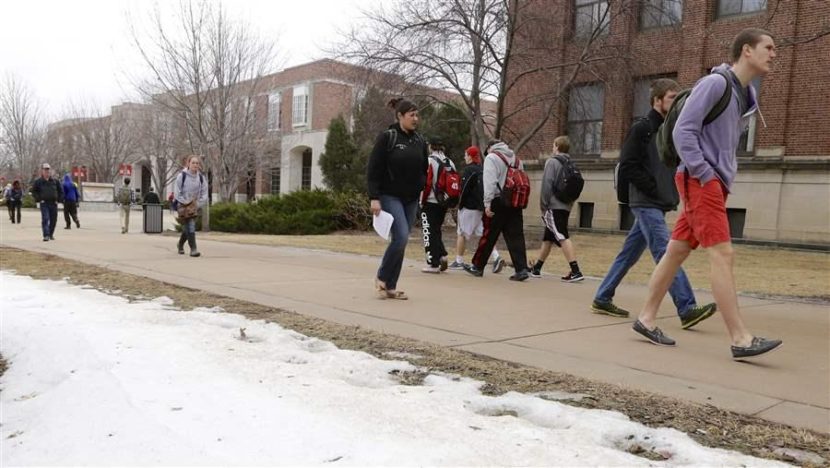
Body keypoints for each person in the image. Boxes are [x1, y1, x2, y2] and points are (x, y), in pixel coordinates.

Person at [633, 28, 782, 359]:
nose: (774, 53)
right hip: (702, 181)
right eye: (768, 47)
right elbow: (685, 130)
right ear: (747, 50)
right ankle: (741, 338)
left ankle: (645, 318)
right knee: (723, 254)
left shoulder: (743, 94)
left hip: (710, 182)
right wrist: (704, 174)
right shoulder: (716, 84)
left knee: (675, 252)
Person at [591, 79, 717, 329]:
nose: (675, 102)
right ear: (657, 100)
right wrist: (651, 188)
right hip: (645, 201)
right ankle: (687, 307)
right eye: (671, 97)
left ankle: (602, 297)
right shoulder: (642, 128)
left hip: (659, 201)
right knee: (666, 252)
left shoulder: (672, 130)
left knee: (628, 254)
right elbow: (627, 165)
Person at [367, 98, 428, 299]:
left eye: (417, 115)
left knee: (401, 241)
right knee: (401, 236)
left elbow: (423, 168)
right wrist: (374, 197)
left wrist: (420, 188)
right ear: (400, 116)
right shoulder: (388, 137)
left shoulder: (419, 141)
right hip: (390, 195)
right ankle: (382, 276)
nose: (415, 119)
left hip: (411, 198)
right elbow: (374, 168)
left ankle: (390, 287)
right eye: (411, 115)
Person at [464, 140, 530, 281]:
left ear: (489, 147)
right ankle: (522, 268)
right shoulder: (516, 159)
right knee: (516, 236)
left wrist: (487, 203)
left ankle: (477, 266)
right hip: (514, 201)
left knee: (489, 235)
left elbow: (490, 182)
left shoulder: (492, 158)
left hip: (497, 200)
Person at [529, 136, 584, 282]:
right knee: (549, 237)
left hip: (554, 205)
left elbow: (547, 184)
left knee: (562, 236)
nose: (552, 147)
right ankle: (537, 268)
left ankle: (576, 270)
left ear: (557, 146)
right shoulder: (571, 163)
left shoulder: (552, 162)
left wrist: (543, 205)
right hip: (566, 204)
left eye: (553, 145)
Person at [450, 146, 504, 272]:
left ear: (470, 156)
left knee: (461, 233)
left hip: (469, 207)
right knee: (483, 234)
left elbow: (463, 190)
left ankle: (459, 260)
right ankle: (496, 256)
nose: (464, 157)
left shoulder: (469, 170)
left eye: (466, 155)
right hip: (480, 207)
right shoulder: (482, 169)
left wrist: (460, 204)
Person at [420, 137, 455, 273]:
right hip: (443, 202)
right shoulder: (449, 161)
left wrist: (421, 200)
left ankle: (433, 263)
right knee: (436, 230)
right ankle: (442, 255)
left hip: (430, 201)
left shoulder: (429, 161)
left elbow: (426, 183)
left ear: (431, 147)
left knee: (428, 231)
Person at [173, 155, 209, 257]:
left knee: (188, 227)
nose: (195, 165)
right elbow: (177, 192)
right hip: (183, 206)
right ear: (188, 163)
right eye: (193, 163)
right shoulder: (182, 176)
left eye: (197, 163)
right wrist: (184, 202)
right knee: (190, 225)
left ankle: (180, 244)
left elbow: (204, 193)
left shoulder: (201, 178)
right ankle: (193, 249)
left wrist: (198, 204)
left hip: (194, 206)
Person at [31, 163, 63, 241]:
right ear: (42, 171)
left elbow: (61, 191)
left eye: (48, 170)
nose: (47, 171)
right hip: (44, 203)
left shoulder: (55, 181)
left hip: (53, 203)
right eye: (45, 170)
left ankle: (50, 234)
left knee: (53, 220)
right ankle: (46, 235)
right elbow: (34, 191)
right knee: (45, 218)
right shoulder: (38, 182)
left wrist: (58, 200)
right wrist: (39, 199)